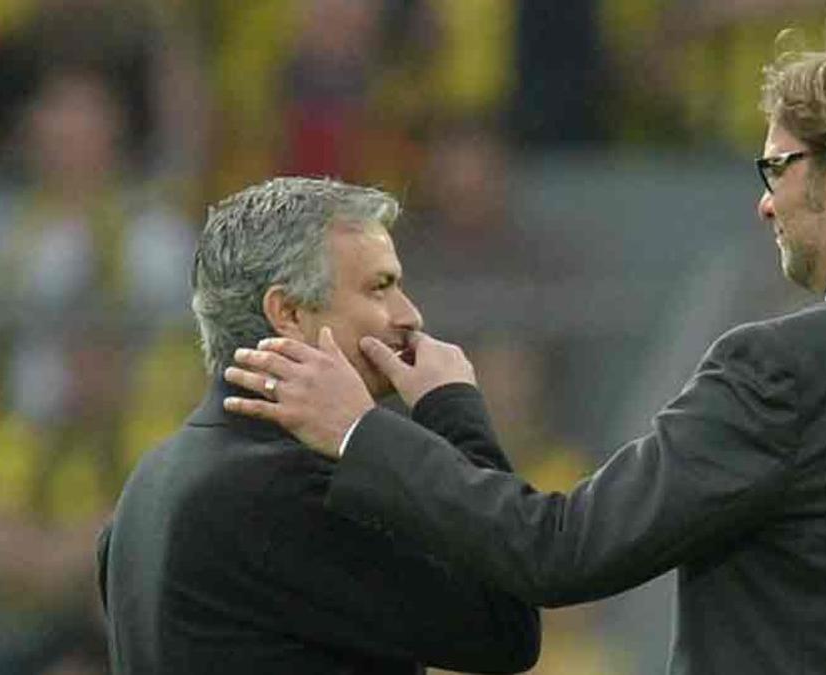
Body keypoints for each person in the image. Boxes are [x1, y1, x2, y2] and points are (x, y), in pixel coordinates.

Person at [225, 11, 826, 674]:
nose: (765, 201)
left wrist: (362, 430)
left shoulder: (780, 368)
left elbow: (560, 551)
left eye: (778, 166)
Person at [98, 177, 540, 674]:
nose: (410, 315)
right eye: (380, 287)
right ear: (287, 312)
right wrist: (453, 410)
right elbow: (507, 628)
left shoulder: (146, 485)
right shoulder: (285, 490)